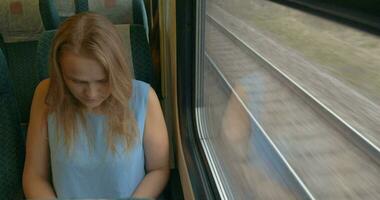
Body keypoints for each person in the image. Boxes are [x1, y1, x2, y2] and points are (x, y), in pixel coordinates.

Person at [22, 13, 170, 199]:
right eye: (77, 81)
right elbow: (35, 176)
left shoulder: (144, 98)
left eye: (103, 80)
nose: (91, 94)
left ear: (117, 71)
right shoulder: (47, 95)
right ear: (60, 73)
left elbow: (158, 169)